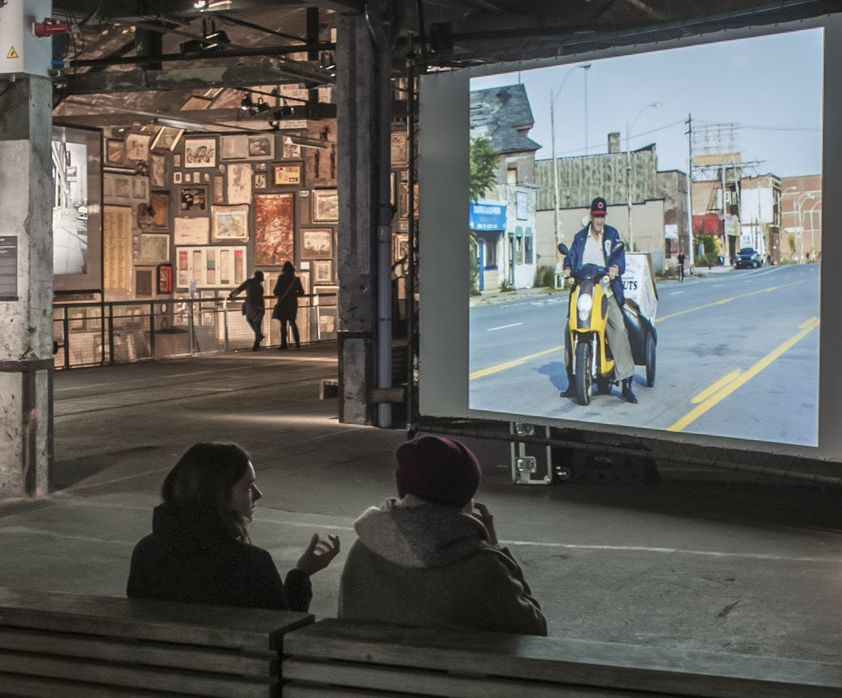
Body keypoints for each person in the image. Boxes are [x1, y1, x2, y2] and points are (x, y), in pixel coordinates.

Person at [339, 435, 547, 635]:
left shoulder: (364, 546)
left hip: (365, 667)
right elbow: (534, 627)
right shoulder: (481, 567)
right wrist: (495, 549)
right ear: (464, 491)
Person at [126, 442, 341, 611]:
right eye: (248, 486)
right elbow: (283, 635)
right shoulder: (251, 564)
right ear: (218, 494)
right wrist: (301, 575)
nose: (258, 494)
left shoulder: (146, 552)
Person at [561, 197, 636, 403]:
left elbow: (618, 257)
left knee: (618, 328)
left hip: (604, 291)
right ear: (591, 215)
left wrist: (615, 268)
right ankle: (572, 380)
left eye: (602, 216)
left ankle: (626, 382)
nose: (599, 220)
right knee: (570, 329)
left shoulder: (612, 235)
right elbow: (571, 256)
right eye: (596, 216)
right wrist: (567, 268)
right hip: (584, 290)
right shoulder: (580, 237)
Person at [230, 270, 267, 351]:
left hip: (252, 306)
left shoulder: (249, 282)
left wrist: (232, 295)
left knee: (249, 319)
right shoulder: (259, 286)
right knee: (258, 325)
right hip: (260, 306)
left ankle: (258, 337)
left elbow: (240, 289)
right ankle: (256, 343)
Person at [272, 261, 304, 350]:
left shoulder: (281, 278)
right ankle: (297, 343)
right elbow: (301, 292)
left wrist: (281, 295)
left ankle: (284, 344)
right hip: (293, 303)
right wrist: (293, 295)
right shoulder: (296, 279)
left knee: (283, 324)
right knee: (293, 322)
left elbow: (276, 291)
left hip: (283, 303)